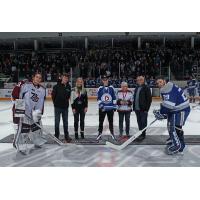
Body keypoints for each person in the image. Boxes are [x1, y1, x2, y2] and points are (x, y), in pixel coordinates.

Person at [154, 76, 190, 155]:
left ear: (164, 81)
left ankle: (179, 146)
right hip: (175, 109)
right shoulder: (167, 87)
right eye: (157, 83)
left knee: (176, 127)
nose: (159, 84)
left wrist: (161, 112)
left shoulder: (167, 88)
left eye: (160, 82)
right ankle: (173, 139)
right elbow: (168, 103)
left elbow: (169, 105)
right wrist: (162, 112)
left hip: (181, 110)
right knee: (170, 125)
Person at [12, 73, 46, 154]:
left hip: (33, 112)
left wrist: (38, 113)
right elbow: (15, 95)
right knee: (23, 129)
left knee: (37, 127)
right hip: (22, 111)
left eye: (40, 78)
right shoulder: (25, 85)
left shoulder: (42, 89)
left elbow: (41, 103)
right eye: (36, 77)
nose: (38, 79)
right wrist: (20, 110)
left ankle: (37, 141)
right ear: (33, 77)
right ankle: (19, 145)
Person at [51, 73, 72, 143]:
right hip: (57, 107)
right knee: (57, 122)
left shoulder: (69, 87)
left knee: (65, 123)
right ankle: (56, 136)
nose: (66, 79)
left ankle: (66, 136)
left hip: (65, 108)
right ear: (61, 78)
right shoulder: (56, 86)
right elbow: (53, 96)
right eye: (64, 77)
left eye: (67, 78)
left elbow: (68, 96)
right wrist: (56, 103)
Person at [97, 75, 117, 140]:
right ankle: (99, 133)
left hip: (110, 108)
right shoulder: (100, 88)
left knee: (111, 121)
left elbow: (114, 97)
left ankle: (112, 133)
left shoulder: (111, 88)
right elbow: (99, 99)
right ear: (102, 81)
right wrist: (101, 106)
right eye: (104, 80)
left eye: (106, 80)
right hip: (102, 108)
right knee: (101, 121)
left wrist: (114, 106)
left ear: (108, 80)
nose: (105, 81)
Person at [133, 76, 152, 141]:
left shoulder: (146, 88)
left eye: (141, 80)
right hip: (137, 108)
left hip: (143, 109)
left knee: (143, 122)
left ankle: (143, 134)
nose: (139, 81)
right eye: (138, 80)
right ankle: (140, 133)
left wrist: (146, 109)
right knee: (139, 122)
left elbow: (149, 99)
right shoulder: (137, 87)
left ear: (143, 80)